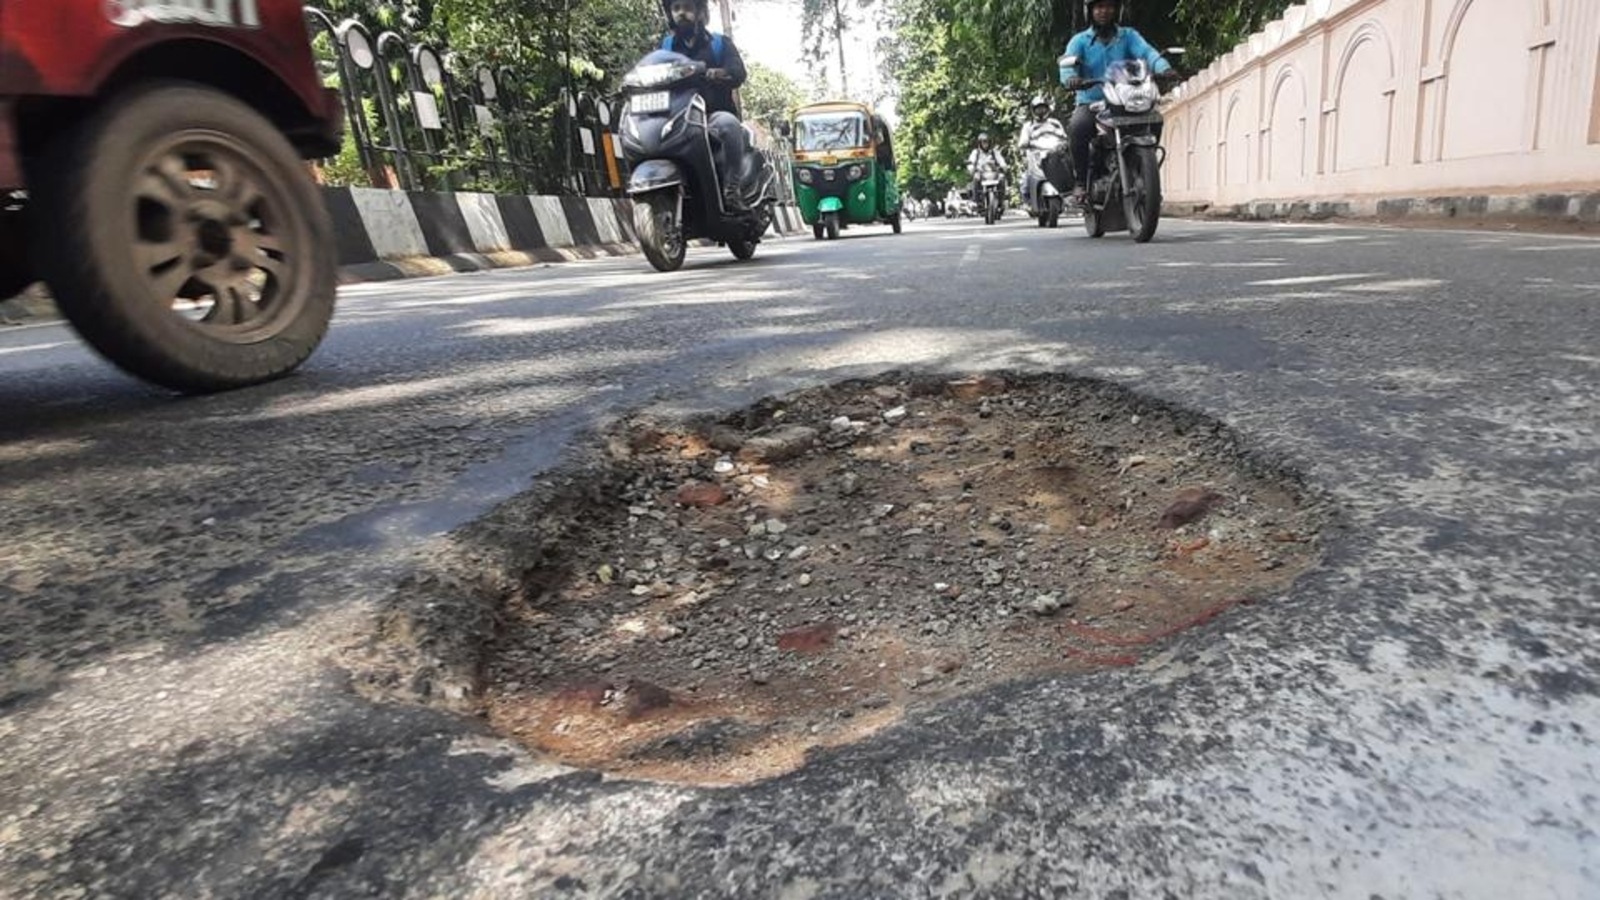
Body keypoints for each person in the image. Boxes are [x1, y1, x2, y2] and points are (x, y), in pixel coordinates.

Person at [1059, 0, 1174, 204]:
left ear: (1117, 10)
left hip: (1126, 100)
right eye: (1099, 7)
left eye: (1110, 6)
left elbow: (1147, 53)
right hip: (1093, 103)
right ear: (1090, 11)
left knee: (1156, 120)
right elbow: (1067, 63)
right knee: (1078, 127)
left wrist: (1163, 68)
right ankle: (1080, 182)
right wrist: (1071, 77)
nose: (1104, 11)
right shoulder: (1080, 41)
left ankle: (1146, 172)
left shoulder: (1128, 36)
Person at [660, 0, 752, 210]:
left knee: (729, 125)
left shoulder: (719, 44)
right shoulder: (665, 47)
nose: (681, 13)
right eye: (676, 9)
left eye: (687, 8)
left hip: (711, 116)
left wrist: (718, 72)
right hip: (676, 118)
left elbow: (738, 72)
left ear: (700, 12)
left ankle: (732, 191)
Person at [1016, 94, 1071, 199]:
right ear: (1033, 110)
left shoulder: (1055, 123)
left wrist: (1064, 144)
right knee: (1026, 181)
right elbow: (1022, 142)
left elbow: (1065, 137)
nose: (1041, 111)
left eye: (1043, 108)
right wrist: (1027, 144)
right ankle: (1027, 200)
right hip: (1036, 156)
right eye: (1038, 109)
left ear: (1047, 109)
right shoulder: (1028, 126)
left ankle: (1069, 194)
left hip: (1055, 155)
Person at [966, 132, 1008, 213]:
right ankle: (977, 202)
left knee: (1002, 178)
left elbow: (1001, 161)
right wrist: (971, 169)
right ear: (980, 143)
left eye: (987, 142)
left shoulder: (994, 152)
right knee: (975, 178)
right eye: (983, 142)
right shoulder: (976, 152)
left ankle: (1000, 201)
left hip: (993, 173)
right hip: (981, 174)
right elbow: (971, 162)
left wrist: (1004, 166)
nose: (985, 144)